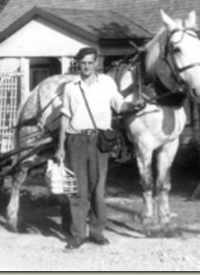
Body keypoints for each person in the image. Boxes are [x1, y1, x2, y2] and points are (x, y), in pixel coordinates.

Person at [55, 46, 143, 250]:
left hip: (99, 142)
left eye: (89, 62)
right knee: (78, 190)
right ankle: (78, 235)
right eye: (82, 63)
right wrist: (60, 146)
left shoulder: (107, 83)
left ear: (96, 63)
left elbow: (119, 105)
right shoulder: (71, 87)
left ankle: (96, 232)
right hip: (75, 141)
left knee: (97, 189)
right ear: (79, 64)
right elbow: (65, 117)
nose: (86, 66)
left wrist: (133, 105)